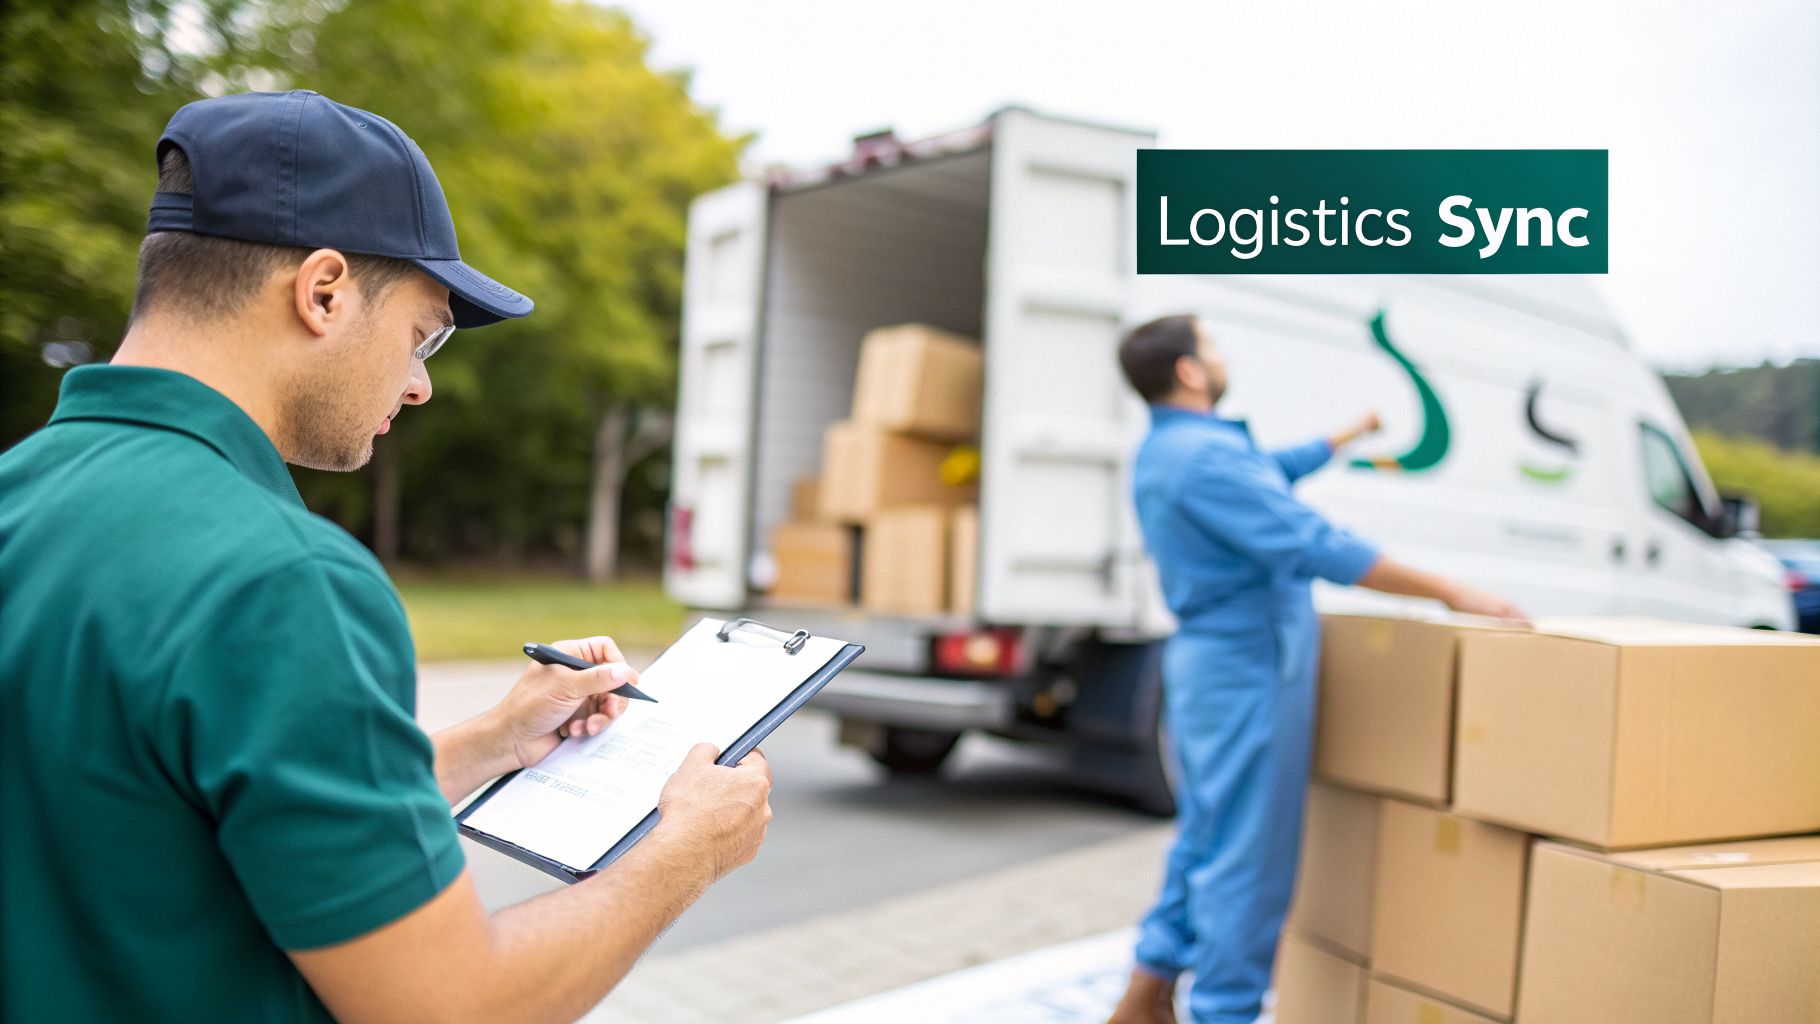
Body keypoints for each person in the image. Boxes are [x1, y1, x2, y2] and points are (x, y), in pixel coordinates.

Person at [0, 90, 772, 1023]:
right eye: (423, 333)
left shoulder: (23, 497)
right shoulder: (284, 583)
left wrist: (489, 742)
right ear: (322, 291)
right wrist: (686, 850)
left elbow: (162, 801)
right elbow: (448, 1006)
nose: (419, 385)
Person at [1105, 315, 1525, 1024]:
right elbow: (1317, 544)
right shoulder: (1208, 460)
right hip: (1249, 667)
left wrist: (1346, 435)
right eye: (1213, 346)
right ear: (1189, 371)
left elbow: (1276, 467)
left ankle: (1146, 989)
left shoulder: (1175, 450)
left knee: (1208, 831)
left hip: (1213, 664)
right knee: (1249, 858)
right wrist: (1458, 593)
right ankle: (1224, 1012)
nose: (1221, 355)